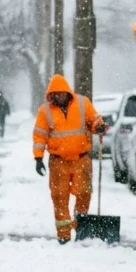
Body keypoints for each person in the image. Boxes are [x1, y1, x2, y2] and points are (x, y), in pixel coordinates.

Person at [33, 74, 106, 243]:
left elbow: (93, 119)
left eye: (61, 93)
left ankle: (81, 227)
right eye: (55, 94)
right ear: (51, 95)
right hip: (58, 161)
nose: (59, 96)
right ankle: (64, 234)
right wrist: (38, 158)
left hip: (82, 159)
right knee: (59, 197)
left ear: (67, 92)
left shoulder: (82, 103)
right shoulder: (45, 111)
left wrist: (98, 125)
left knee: (84, 193)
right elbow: (40, 135)